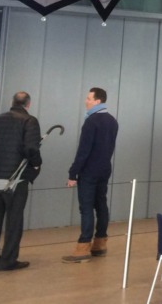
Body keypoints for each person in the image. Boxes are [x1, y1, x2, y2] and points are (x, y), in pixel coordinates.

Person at [62, 87, 120, 263]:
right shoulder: (112, 121)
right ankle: (100, 244)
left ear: (98, 101)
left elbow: (83, 151)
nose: (85, 101)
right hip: (104, 169)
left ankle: (83, 247)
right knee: (101, 205)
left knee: (86, 208)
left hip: (89, 171)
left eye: (89, 98)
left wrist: (73, 173)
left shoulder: (91, 121)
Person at [0, 91, 41, 271]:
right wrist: (37, 165)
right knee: (14, 221)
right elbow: (31, 148)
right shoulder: (29, 121)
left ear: (12, 102)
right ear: (28, 104)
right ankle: (8, 261)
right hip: (14, 181)